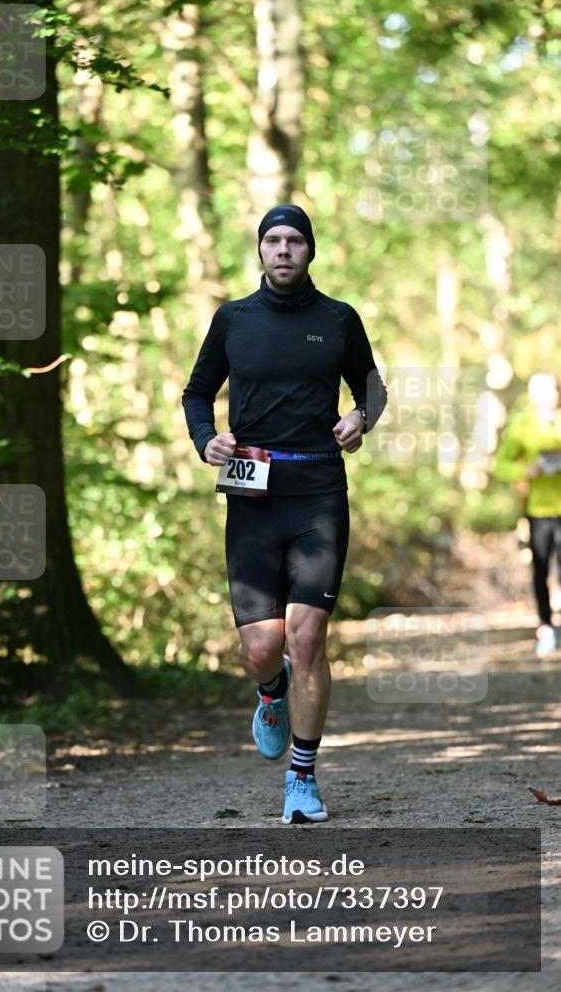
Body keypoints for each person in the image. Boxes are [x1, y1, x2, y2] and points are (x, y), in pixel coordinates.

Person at [182, 204, 387, 824]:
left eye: (295, 240)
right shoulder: (233, 320)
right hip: (251, 490)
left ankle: (302, 778)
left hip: (319, 488)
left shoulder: (340, 320)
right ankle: (269, 693)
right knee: (262, 649)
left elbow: (372, 387)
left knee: (307, 637)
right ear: (261, 251)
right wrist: (206, 438)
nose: (283, 250)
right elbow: (196, 392)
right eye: (273, 240)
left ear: (310, 251)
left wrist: (359, 417)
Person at [493, 372, 561, 656]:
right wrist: (527, 470)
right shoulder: (521, 426)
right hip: (538, 511)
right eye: (539, 391)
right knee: (541, 570)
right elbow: (500, 466)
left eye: (550, 390)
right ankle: (545, 627)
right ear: (532, 395)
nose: (546, 395)